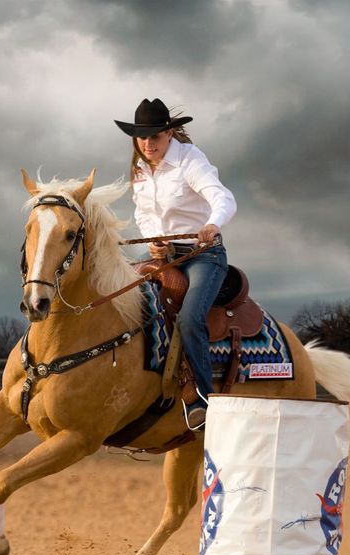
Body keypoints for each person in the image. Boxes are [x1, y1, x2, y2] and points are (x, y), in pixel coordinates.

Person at [115, 98, 237, 429]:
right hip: (164, 256)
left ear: (169, 133)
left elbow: (222, 197)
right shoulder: (139, 170)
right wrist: (153, 240)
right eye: (141, 137)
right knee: (116, 292)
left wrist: (213, 224)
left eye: (154, 136)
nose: (147, 144)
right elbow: (143, 212)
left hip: (201, 255)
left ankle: (202, 399)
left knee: (189, 319)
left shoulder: (190, 160)